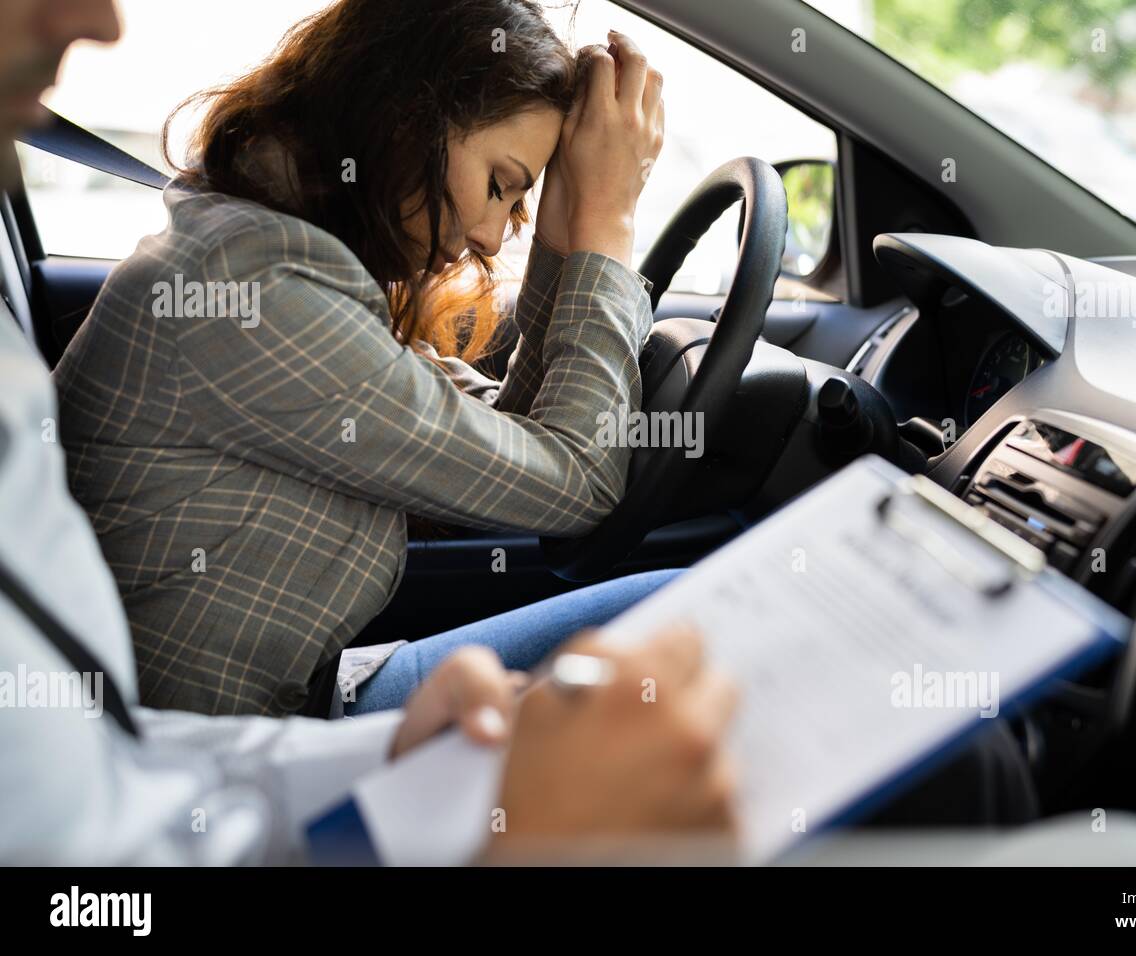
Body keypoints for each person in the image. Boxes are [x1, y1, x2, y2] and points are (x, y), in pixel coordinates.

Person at [0, 0, 735, 866]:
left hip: (291, 724)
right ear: (409, 117)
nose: (494, 234)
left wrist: (570, 239)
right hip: (229, 752)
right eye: (501, 183)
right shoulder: (261, 291)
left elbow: (498, 435)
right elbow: (575, 474)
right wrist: (608, 227)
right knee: (701, 625)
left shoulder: (278, 250)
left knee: (682, 619)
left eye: (522, 199)